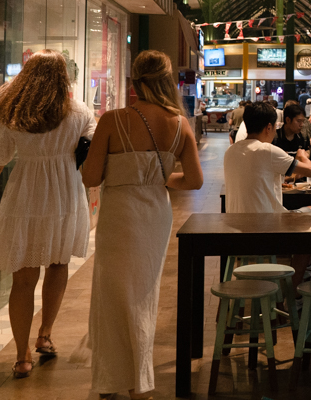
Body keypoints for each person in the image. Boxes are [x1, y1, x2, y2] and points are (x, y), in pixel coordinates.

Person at [81, 50, 203, 399]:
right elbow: (194, 180)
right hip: (155, 215)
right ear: (168, 81)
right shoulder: (180, 124)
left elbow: (91, 176)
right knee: (144, 295)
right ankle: (139, 378)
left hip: (119, 213)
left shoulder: (112, 120)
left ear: (134, 82)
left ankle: (110, 378)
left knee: (112, 293)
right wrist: (162, 180)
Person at [0, 50, 96, 380]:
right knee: (58, 264)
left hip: (25, 197)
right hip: (65, 196)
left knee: (23, 278)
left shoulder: (15, 112)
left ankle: (22, 356)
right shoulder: (79, 111)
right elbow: (92, 149)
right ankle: (45, 334)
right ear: (64, 76)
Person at [224, 102, 311, 212]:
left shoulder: (230, 151)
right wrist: (302, 155)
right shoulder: (267, 150)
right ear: (269, 127)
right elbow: (310, 171)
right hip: (269, 223)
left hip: (235, 221)